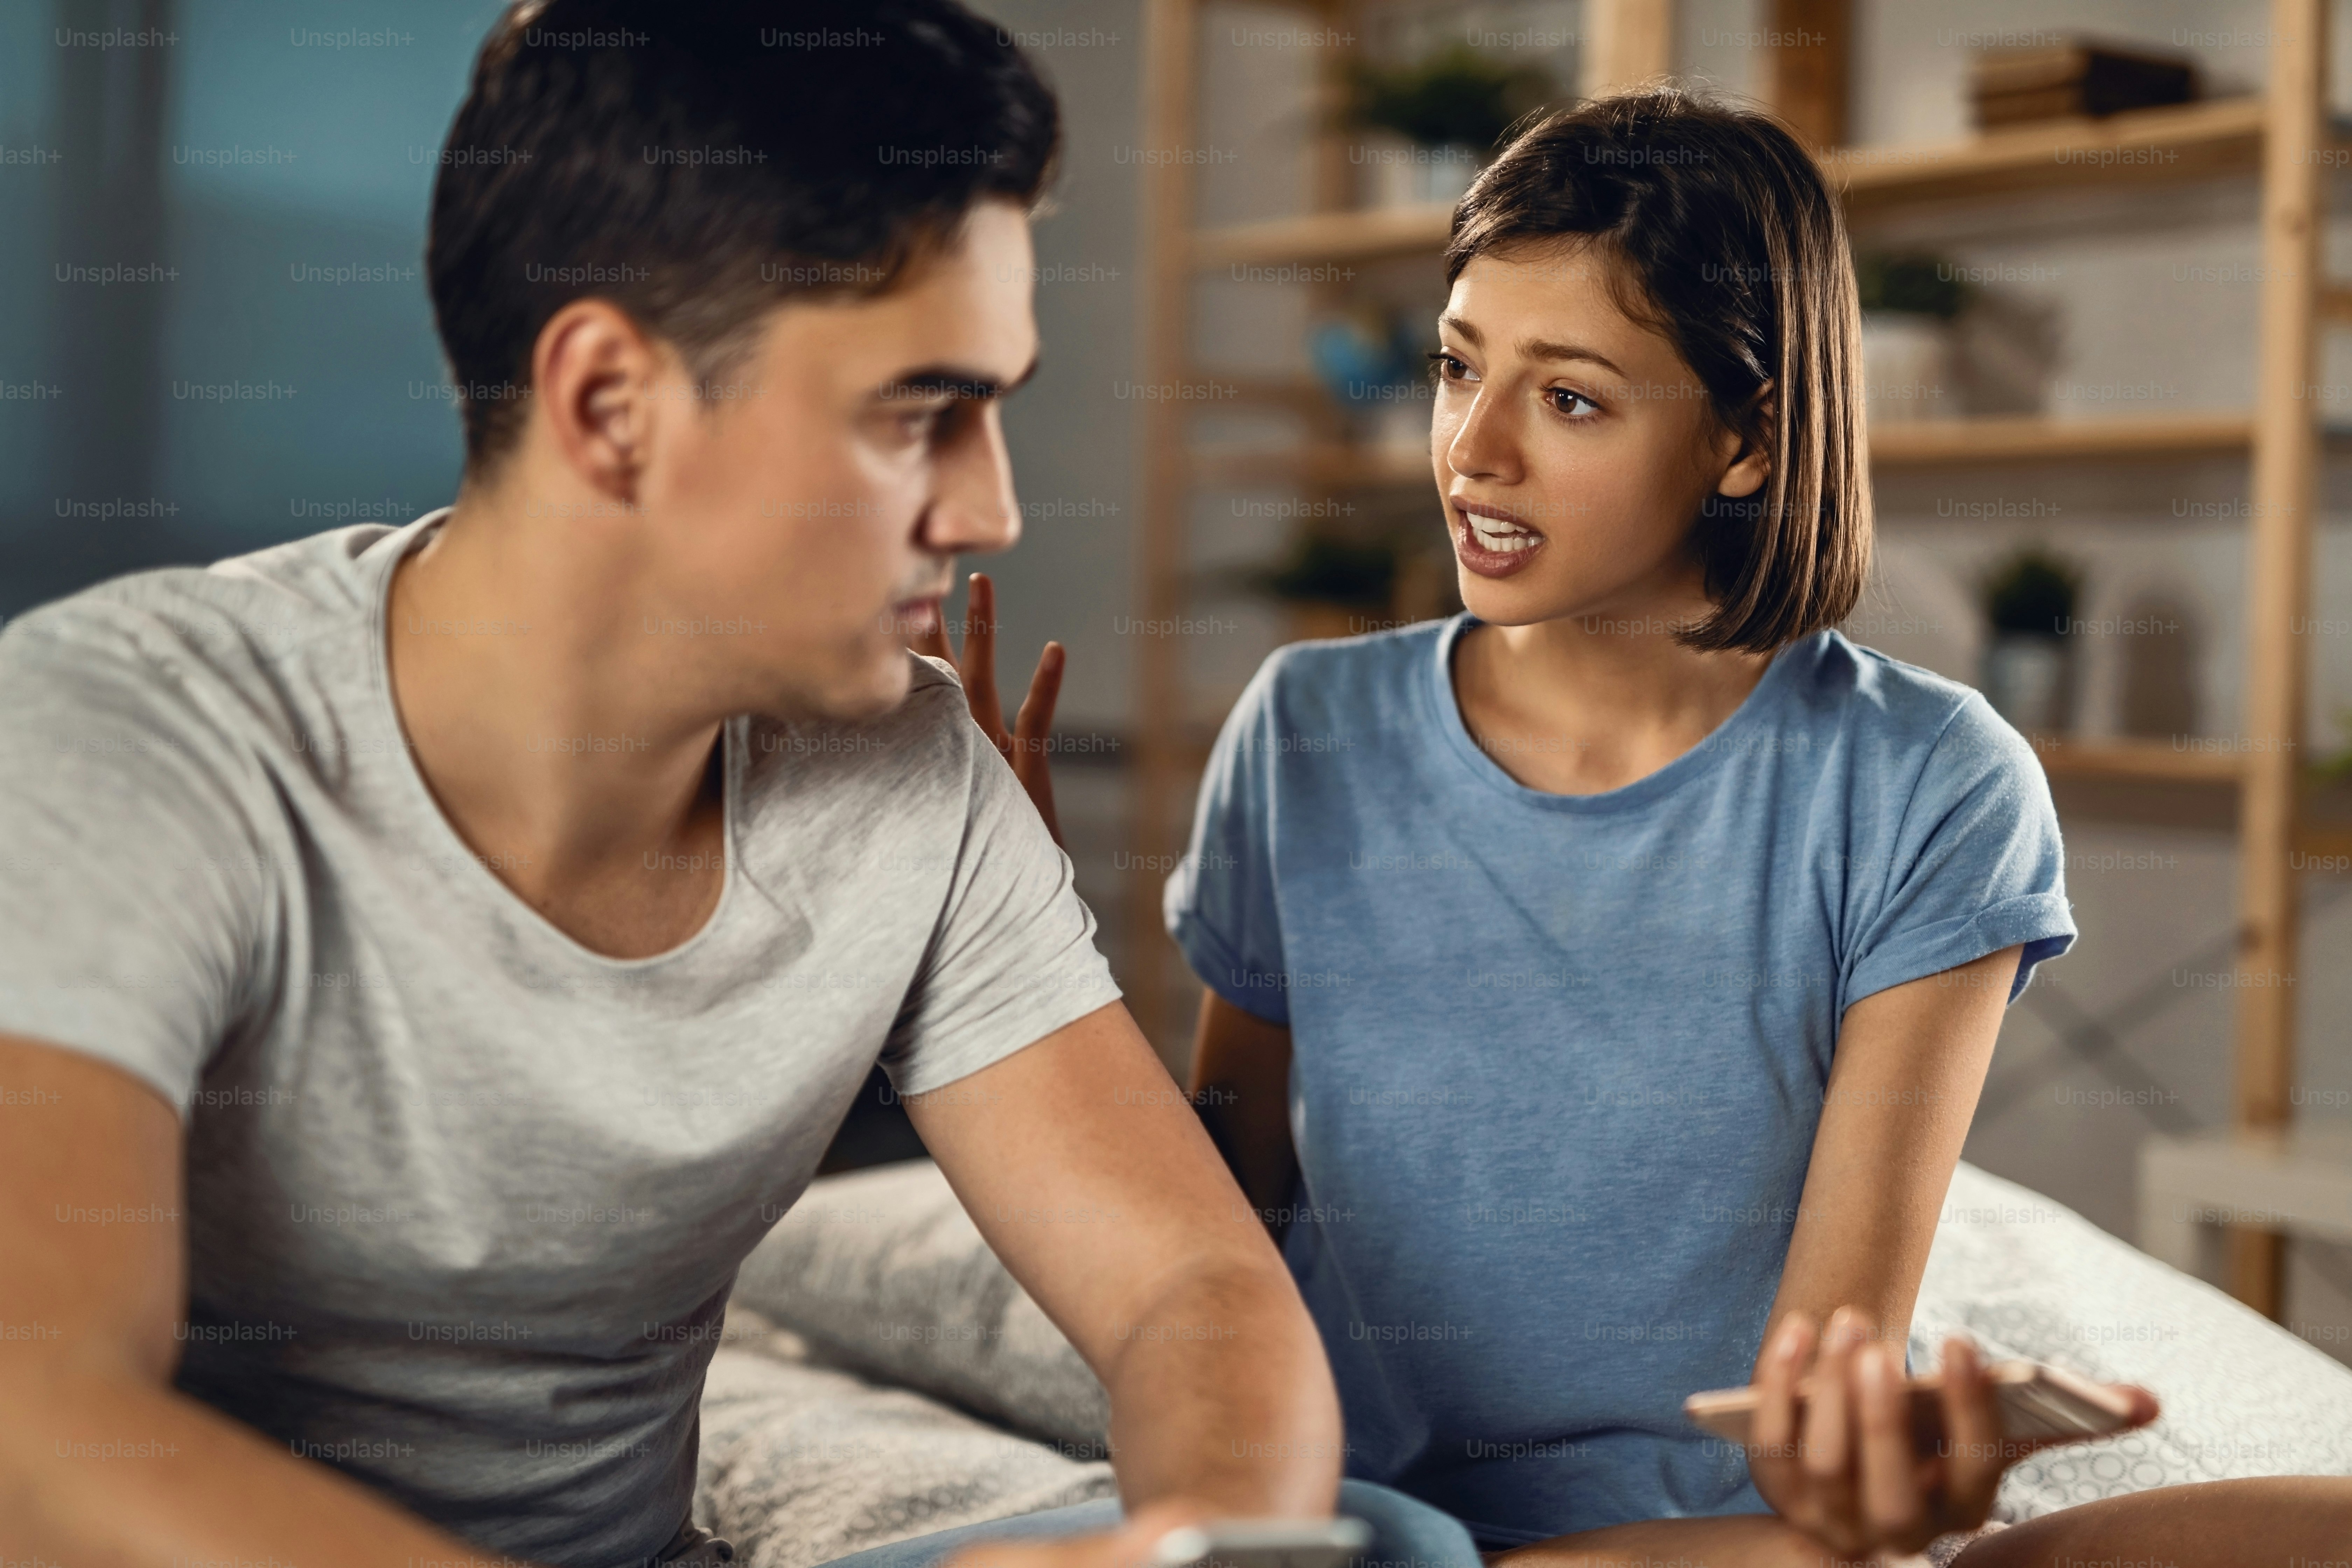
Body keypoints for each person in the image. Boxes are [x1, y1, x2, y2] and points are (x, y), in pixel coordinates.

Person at [0, 7, 1480, 1568]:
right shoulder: (132, 731)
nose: (991, 506)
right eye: (922, 413)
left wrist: (1199, 1549)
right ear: (609, 408)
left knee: (1382, 1541)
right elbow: (38, 1432)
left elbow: (1196, 1288)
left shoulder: (913, 775)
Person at [1155, 89, 2352, 1567]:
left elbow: (1823, 1378)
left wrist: (1869, 1480)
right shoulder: (1304, 732)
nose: (1474, 450)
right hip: (1375, 1523)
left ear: (1746, 440)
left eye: (1570, 397)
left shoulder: (1930, 783)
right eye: (1457, 368)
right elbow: (1211, 1226)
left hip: (1742, 1539)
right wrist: (1006, 957)